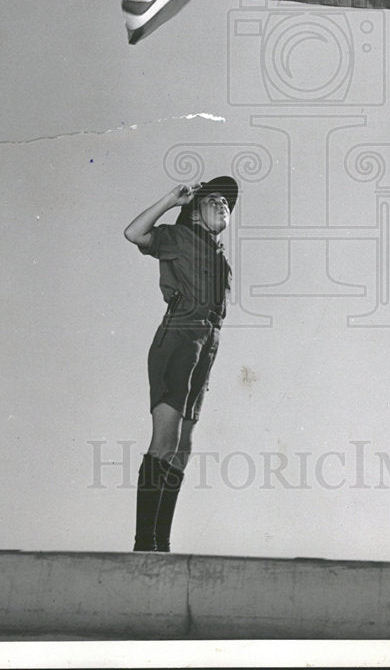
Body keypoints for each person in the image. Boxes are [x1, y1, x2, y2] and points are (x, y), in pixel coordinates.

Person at [123, 175, 238, 552]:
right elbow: (134, 233)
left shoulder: (220, 257)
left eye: (227, 204)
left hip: (207, 343)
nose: (223, 205)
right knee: (167, 438)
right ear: (195, 212)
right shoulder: (180, 236)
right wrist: (172, 200)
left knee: (183, 447)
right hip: (179, 334)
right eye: (214, 200)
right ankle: (145, 545)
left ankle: (162, 543)